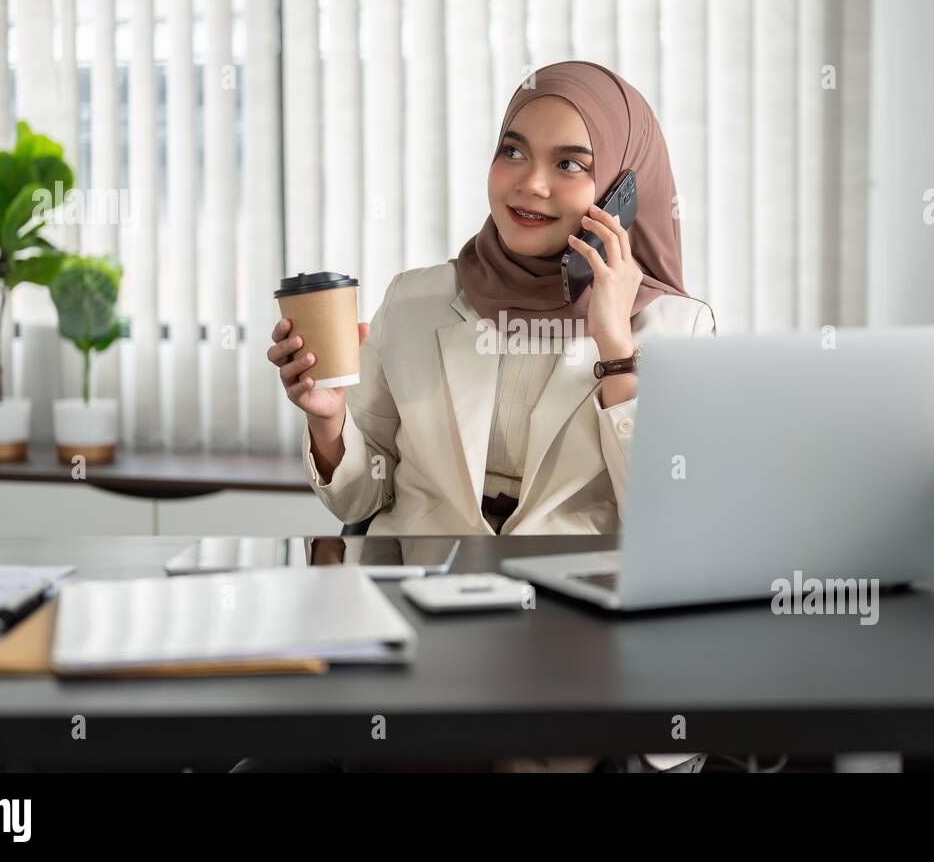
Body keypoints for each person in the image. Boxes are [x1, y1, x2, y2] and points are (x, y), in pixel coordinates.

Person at [266, 61, 716, 772]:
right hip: (420, 641)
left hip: (579, 656)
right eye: (513, 151)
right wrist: (328, 423)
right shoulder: (414, 301)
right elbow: (359, 497)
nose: (528, 183)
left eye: (570, 164)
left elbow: (672, 529)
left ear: (624, 194)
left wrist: (616, 347)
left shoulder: (677, 331)